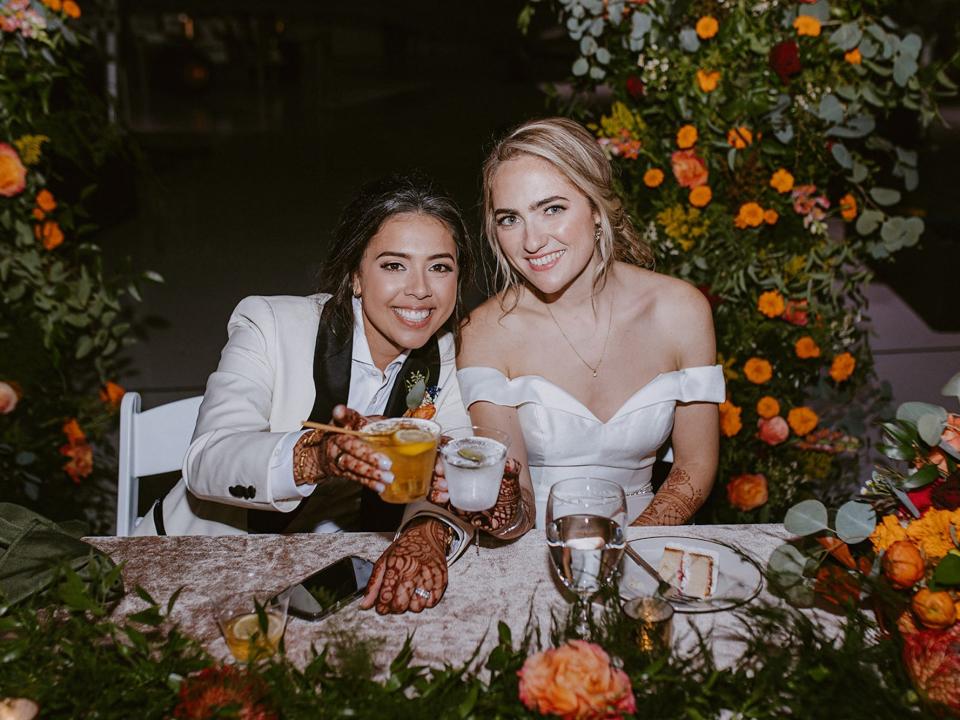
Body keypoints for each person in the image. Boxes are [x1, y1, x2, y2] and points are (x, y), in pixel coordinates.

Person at [135, 173, 521, 613]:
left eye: (440, 267)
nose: (420, 289)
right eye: (394, 265)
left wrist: (426, 531)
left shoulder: (447, 358)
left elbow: (447, 478)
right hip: (197, 565)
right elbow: (206, 460)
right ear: (355, 275)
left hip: (329, 577)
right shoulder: (270, 325)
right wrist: (318, 456)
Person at [456, 117, 725, 528]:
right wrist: (497, 505)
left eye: (552, 209)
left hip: (650, 537)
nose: (532, 241)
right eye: (510, 218)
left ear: (597, 209)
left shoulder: (680, 310)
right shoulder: (486, 331)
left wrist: (631, 547)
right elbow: (518, 500)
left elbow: (695, 466)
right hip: (536, 546)